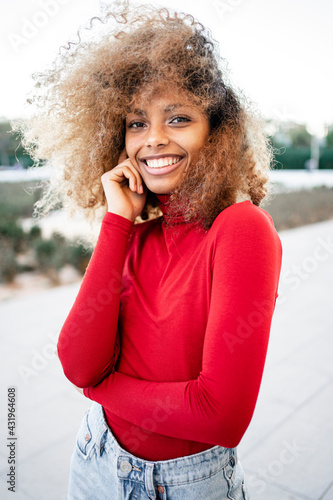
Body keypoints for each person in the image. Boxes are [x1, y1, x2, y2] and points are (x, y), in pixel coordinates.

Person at [19, 2, 282, 498]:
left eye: (178, 118)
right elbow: (77, 361)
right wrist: (118, 221)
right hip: (95, 457)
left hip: (182, 483)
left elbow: (220, 416)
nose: (154, 139)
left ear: (216, 133)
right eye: (136, 123)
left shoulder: (242, 230)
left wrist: (102, 390)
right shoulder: (137, 233)